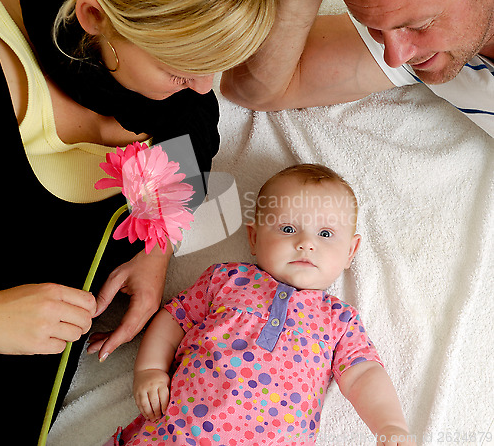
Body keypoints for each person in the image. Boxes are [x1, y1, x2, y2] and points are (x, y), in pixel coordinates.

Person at [0, 0, 275, 441]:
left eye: (215, 67)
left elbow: (194, 129)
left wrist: (156, 245)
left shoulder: (162, 98)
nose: (205, 87)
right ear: (93, 15)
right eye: (181, 69)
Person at [108, 164, 416, 446]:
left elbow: (363, 374)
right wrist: (149, 369)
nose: (306, 243)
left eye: (325, 234)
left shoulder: (338, 320)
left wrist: (389, 424)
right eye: (287, 229)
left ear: (351, 251)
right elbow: (175, 318)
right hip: (179, 433)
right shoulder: (226, 279)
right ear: (253, 238)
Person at [221, 0, 494, 138]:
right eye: (374, 28)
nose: (394, 57)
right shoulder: (409, 23)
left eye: (417, 26)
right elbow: (250, 89)